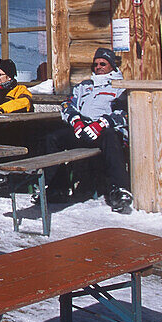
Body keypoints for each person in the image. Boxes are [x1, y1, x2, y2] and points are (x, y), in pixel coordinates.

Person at [42, 47, 132, 213]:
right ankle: (57, 187)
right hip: (83, 129)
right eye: (96, 64)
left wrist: (103, 123)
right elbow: (67, 104)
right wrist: (75, 120)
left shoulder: (119, 87)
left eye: (103, 63)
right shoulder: (84, 86)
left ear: (111, 65)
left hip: (104, 131)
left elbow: (125, 112)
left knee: (111, 136)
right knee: (53, 137)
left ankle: (120, 189)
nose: (98, 67)